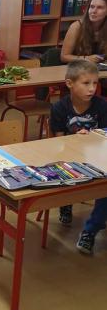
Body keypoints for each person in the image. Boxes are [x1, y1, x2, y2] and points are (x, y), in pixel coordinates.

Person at [49, 59, 107, 254]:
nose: (92, 88)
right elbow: (58, 142)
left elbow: (104, 137)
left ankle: (90, 230)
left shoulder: (102, 105)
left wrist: (92, 137)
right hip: (68, 159)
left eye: (95, 83)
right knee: (66, 174)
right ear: (69, 83)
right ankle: (66, 203)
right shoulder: (59, 108)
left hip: (97, 158)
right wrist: (74, 139)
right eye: (86, 83)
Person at [61, 0, 107, 64]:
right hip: (76, 67)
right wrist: (86, 59)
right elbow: (64, 57)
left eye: (100, 7)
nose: (94, 11)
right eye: (92, 7)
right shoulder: (77, 26)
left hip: (99, 68)